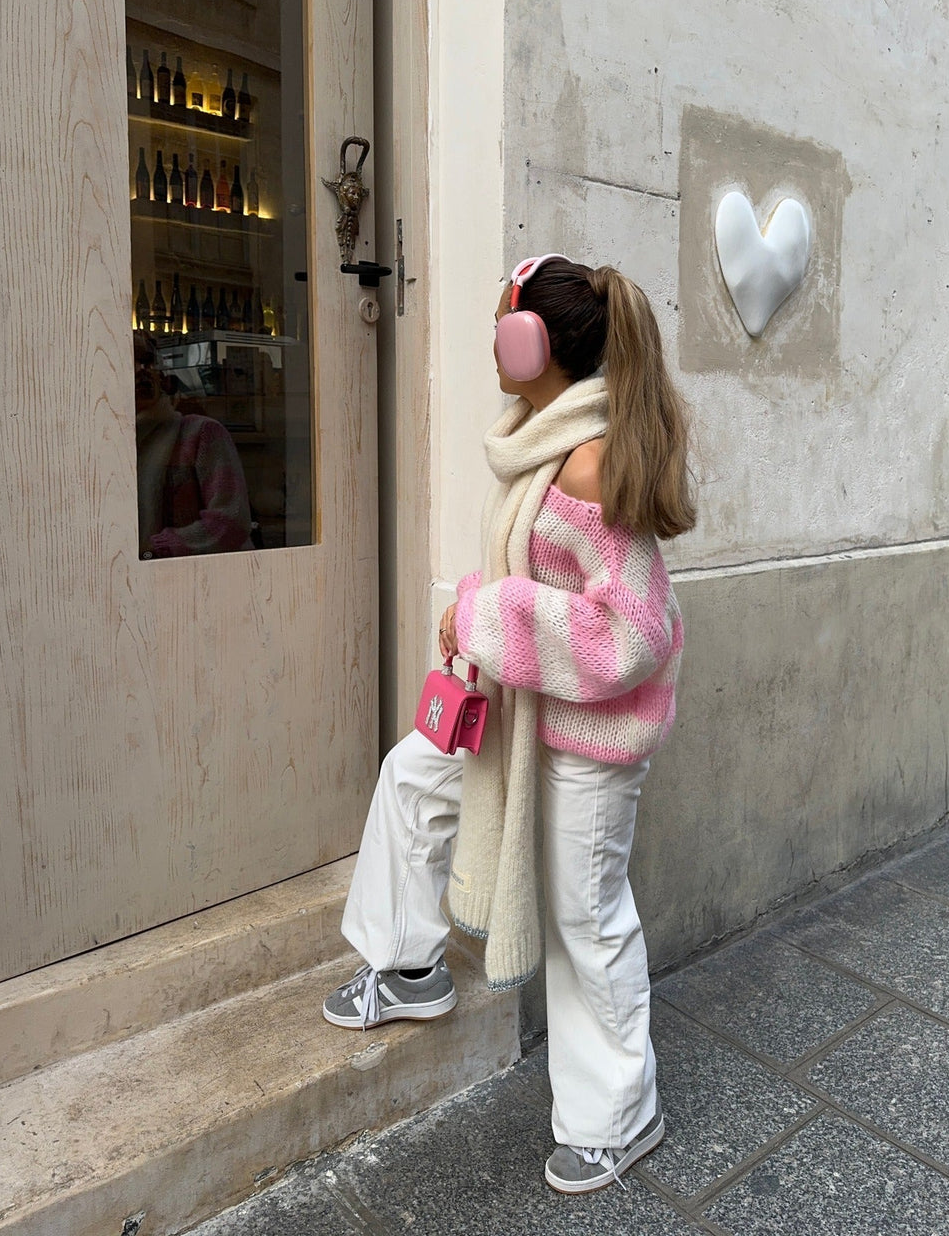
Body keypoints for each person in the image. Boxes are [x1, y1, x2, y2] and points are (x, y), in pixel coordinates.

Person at [322, 254, 695, 1194]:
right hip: (517, 707)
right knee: (413, 776)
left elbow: (632, 633)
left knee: (586, 917)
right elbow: (538, 579)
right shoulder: (537, 442)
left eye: (502, 323)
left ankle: (620, 1116)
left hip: (586, 736)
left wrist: (486, 613)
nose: (493, 339)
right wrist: (477, 616)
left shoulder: (591, 461)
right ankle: (409, 966)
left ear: (535, 342)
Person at [133, 330, 254, 558]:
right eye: (131, 362)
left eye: (149, 362)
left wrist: (156, 549)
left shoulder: (200, 433)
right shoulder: (110, 444)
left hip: (203, 574)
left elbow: (230, 521)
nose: (143, 370)